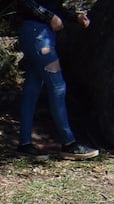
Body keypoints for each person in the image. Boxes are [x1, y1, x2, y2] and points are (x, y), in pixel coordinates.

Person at [16, 0, 98, 161]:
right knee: (57, 86)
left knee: (32, 89)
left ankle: (24, 144)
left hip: (40, 35)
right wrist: (49, 17)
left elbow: (53, 6)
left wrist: (74, 17)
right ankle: (69, 143)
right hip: (38, 36)